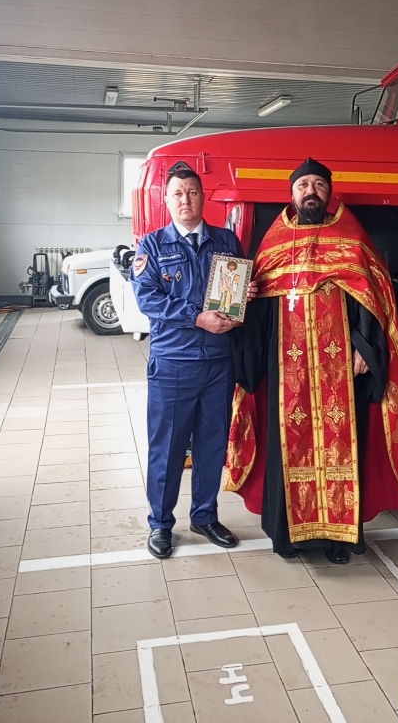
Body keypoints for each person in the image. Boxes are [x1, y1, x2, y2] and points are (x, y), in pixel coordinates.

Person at [225, 158, 398, 563]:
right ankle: (289, 538)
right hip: (286, 368)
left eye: (318, 184)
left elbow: (371, 297)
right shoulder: (275, 241)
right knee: (287, 446)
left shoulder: (350, 238)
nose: (310, 191)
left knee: (342, 448)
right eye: (303, 185)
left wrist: (365, 348)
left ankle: (339, 539)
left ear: (328, 193)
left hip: (341, 368)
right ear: (292, 193)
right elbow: (257, 303)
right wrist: (246, 301)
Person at [131, 161, 255, 560]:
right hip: (174, 362)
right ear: (167, 200)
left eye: (192, 192)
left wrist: (245, 295)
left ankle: (204, 515)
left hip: (219, 361)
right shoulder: (152, 247)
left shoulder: (227, 241)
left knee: (212, 443)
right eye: (178, 194)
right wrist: (197, 317)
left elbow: (235, 295)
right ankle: (160, 524)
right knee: (167, 447)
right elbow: (148, 299)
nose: (185, 199)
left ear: (203, 197)